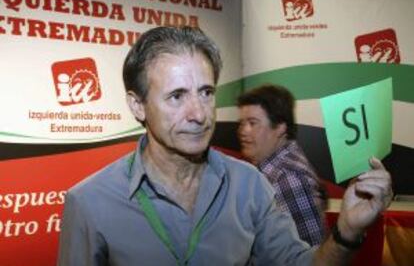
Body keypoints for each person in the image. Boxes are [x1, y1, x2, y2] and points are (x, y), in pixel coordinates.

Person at [57, 26, 393, 266]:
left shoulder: (251, 186)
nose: (199, 113)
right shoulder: (89, 202)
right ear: (137, 106)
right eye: (177, 96)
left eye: (206, 92)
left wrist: (347, 232)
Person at [237, 84, 327, 246]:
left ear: (280, 127)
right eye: (242, 123)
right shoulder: (272, 170)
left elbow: (311, 257)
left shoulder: (287, 178)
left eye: (252, 123)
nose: (243, 131)